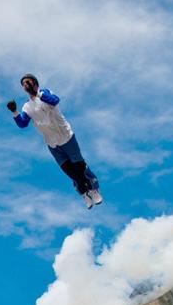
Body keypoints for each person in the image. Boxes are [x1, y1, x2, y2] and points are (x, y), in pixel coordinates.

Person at [7, 74, 102, 208]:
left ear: (35, 83)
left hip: (66, 137)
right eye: (23, 84)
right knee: (70, 172)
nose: (25, 85)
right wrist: (14, 111)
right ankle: (84, 193)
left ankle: (93, 189)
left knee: (80, 168)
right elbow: (22, 124)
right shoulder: (27, 107)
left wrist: (37, 94)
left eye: (27, 82)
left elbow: (55, 100)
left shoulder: (45, 93)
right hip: (52, 143)